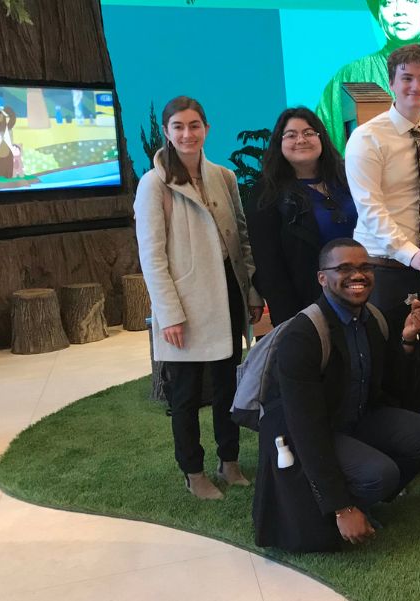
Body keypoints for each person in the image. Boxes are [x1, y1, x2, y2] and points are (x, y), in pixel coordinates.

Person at [252, 238, 420, 552]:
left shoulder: (372, 319)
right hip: (310, 431)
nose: (357, 275)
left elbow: (395, 390)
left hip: (354, 418)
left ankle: (366, 499)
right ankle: (342, 513)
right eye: (344, 268)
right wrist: (340, 506)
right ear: (322, 277)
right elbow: (305, 428)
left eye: (364, 267)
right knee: (380, 473)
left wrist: (408, 340)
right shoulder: (302, 335)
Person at [134, 96, 263, 500]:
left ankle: (229, 462)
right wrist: (168, 313)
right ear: (168, 133)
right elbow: (151, 254)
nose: (187, 134)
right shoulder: (154, 183)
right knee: (187, 396)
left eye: (194, 125)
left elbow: (241, 240)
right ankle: (193, 471)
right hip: (185, 303)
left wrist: (252, 293)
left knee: (228, 387)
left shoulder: (223, 177)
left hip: (226, 294)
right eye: (178, 127)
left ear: (206, 128)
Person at [344, 44, 420, 474]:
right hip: (385, 267)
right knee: (388, 361)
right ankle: (383, 453)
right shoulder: (367, 139)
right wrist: (413, 256)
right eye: (407, 78)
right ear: (392, 84)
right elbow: (370, 211)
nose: (416, 86)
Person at [315, 0, 420, 152]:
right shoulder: (351, 75)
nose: (399, 11)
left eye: (411, 1)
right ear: (378, 16)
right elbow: (322, 146)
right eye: (388, 2)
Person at [248, 107, 356, 326]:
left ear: (321, 138)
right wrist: (292, 321)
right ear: (279, 142)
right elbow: (269, 266)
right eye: (291, 134)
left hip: (360, 292)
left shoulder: (348, 179)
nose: (301, 140)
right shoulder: (267, 195)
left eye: (309, 133)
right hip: (305, 307)